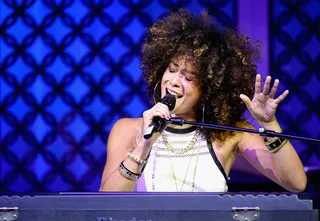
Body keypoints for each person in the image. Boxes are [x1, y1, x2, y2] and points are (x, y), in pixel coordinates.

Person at [99, 9, 307, 192]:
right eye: (171, 69)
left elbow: (296, 183)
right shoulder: (128, 130)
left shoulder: (229, 135)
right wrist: (143, 145)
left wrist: (269, 125)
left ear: (209, 90)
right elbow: (107, 202)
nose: (174, 81)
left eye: (189, 78)